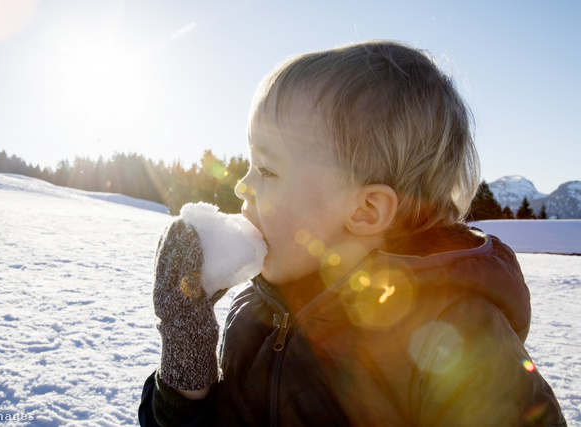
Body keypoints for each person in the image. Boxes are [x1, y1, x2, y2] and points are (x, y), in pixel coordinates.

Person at [139, 41, 567, 426]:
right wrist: (186, 366)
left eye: (266, 168)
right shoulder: (255, 312)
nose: (241, 185)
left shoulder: (458, 338)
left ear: (365, 210)